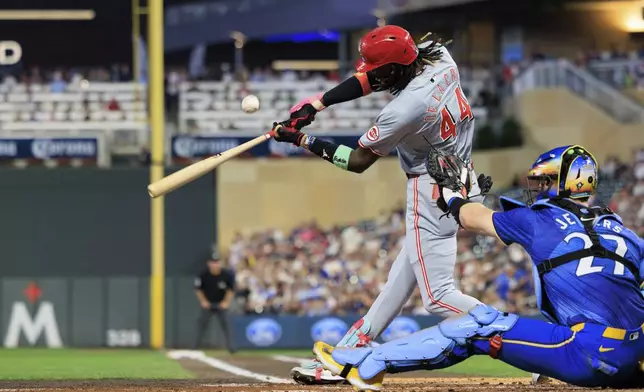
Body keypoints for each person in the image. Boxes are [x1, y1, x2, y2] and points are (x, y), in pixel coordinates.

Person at [311, 145, 644, 391]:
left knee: (479, 325)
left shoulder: (539, 221)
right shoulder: (625, 233)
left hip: (588, 354)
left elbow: (471, 218)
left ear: (561, 183)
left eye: (544, 183)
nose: (538, 189)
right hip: (633, 359)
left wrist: (454, 196)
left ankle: (366, 364)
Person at [271, 25, 494, 384]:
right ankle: (345, 360)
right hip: (459, 177)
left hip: (432, 189)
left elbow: (357, 161)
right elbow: (373, 75)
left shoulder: (406, 107)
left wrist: (300, 138)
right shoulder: (437, 54)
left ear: (395, 69)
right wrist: (316, 104)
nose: (369, 75)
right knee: (396, 286)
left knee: (438, 298)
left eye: (377, 70)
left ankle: (520, 339)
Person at [193, 252, 236, 353]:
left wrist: (226, 302)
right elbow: (198, 289)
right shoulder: (203, 274)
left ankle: (232, 348)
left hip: (221, 304)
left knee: (227, 326)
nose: (215, 265)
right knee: (201, 325)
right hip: (208, 304)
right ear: (209, 263)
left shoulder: (226, 274)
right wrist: (204, 301)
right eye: (213, 262)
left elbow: (231, 290)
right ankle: (194, 347)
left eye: (217, 262)